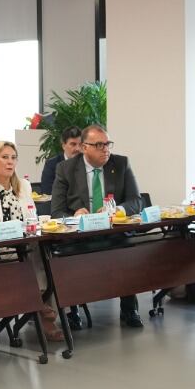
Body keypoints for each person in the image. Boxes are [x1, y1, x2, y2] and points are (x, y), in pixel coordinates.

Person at [49, 123, 146, 329]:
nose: (106, 149)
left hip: (113, 231)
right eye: (99, 145)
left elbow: (136, 201)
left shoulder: (120, 164)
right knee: (70, 256)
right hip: (80, 234)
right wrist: (75, 214)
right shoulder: (66, 169)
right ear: (84, 147)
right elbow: (57, 211)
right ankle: (73, 311)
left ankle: (129, 308)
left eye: (108, 143)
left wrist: (117, 210)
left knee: (126, 249)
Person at [0, 140, 64, 343]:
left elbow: (31, 218)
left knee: (44, 252)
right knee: (32, 256)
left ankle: (41, 303)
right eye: (5, 157)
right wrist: (6, 231)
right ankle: (43, 309)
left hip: (26, 244)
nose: (10, 162)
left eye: (13, 157)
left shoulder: (24, 186)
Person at [38, 126, 82, 195]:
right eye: (73, 144)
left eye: (80, 144)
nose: (78, 149)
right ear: (63, 146)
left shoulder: (87, 163)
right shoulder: (52, 165)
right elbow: (47, 192)